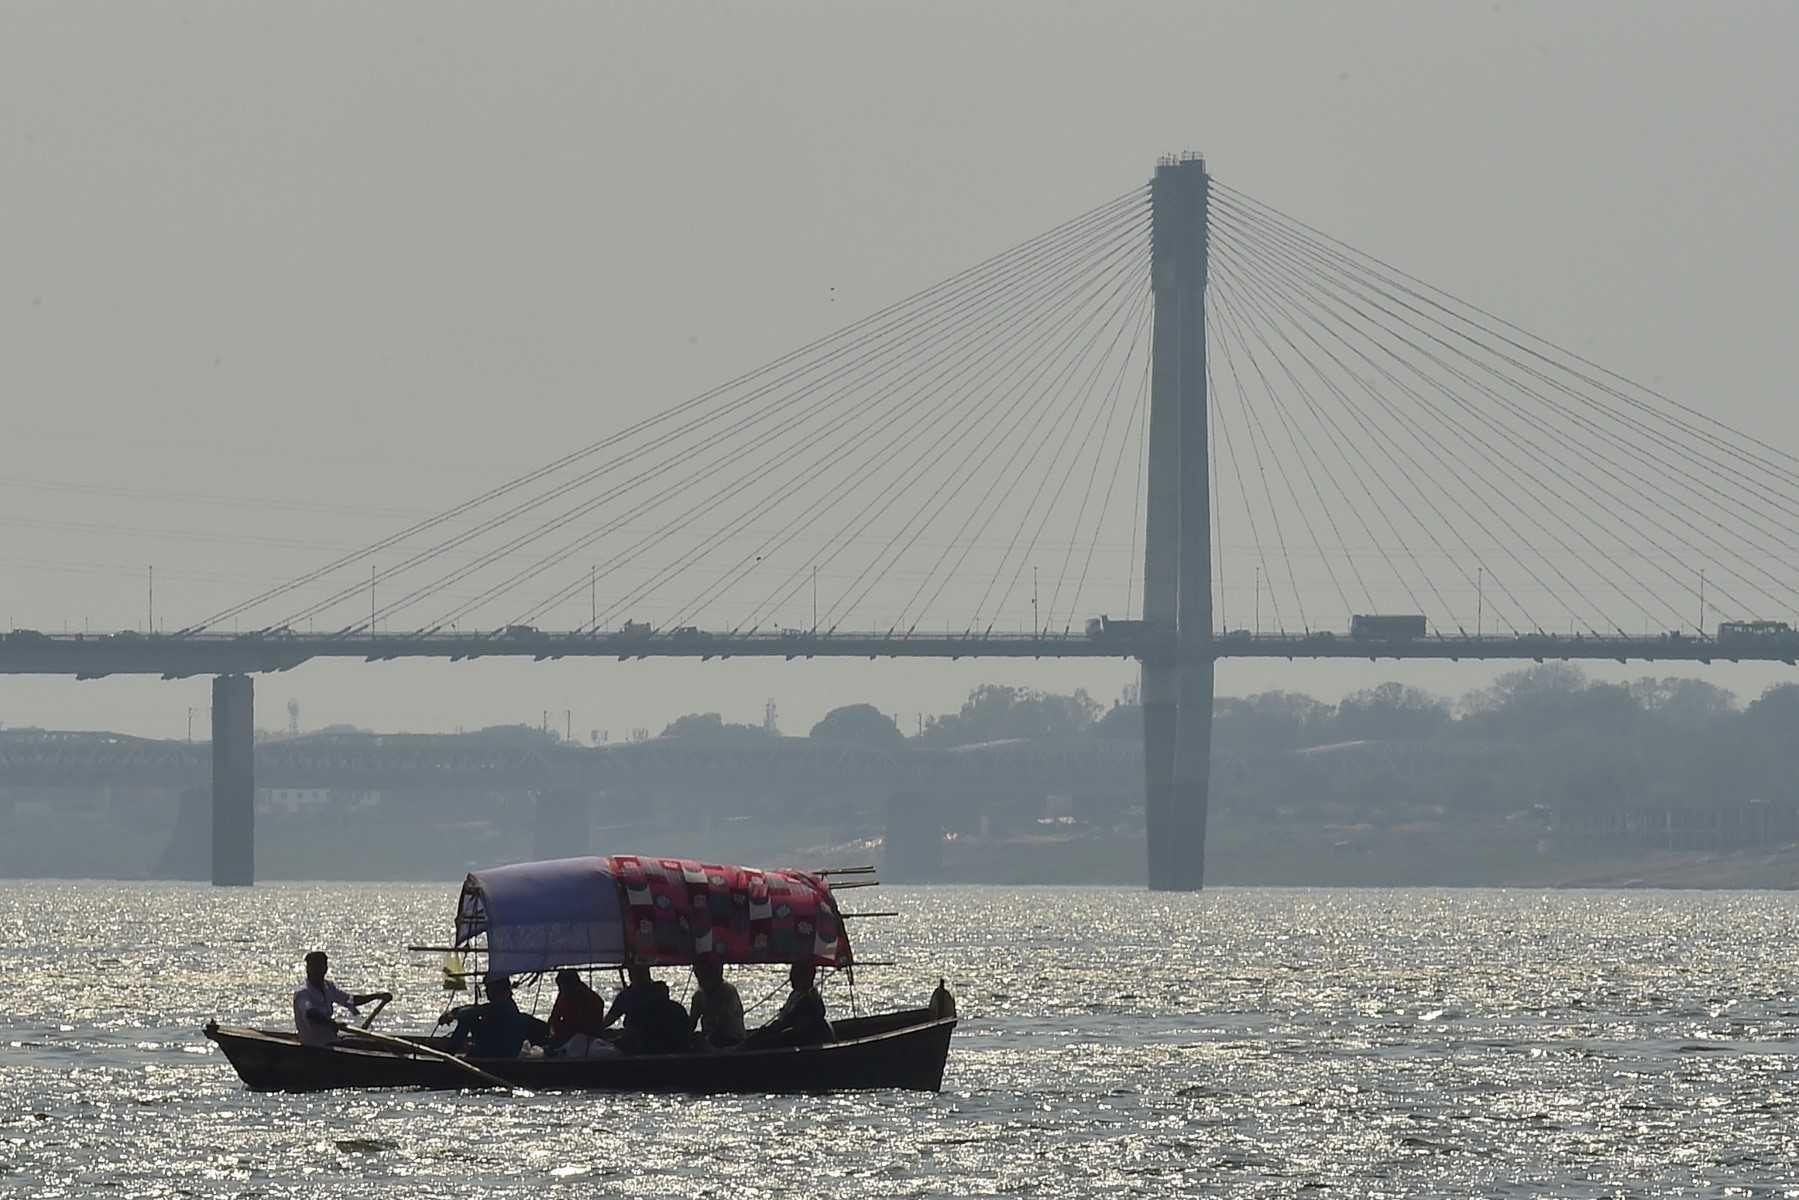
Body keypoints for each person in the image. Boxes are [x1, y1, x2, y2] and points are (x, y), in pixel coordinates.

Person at [292, 950, 391, 1048]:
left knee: (366, 1044)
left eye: (321, 966)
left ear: (325, 968)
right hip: (314, 1045)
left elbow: (350, 1000)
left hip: (331, 1040)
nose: (318, 970)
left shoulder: (328, 987)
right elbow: (310, 1013)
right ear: (308, 969)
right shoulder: (303, 993)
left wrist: (377, 996)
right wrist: (332, 1023)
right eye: (315, 967)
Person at [441, 975, 551, 1059]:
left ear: (497, 989)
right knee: (468, 1018)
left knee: (467, 1019)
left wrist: (454, 1014)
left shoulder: (503, 1007)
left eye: (488, 987)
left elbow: (471, 1012)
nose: (486, 991)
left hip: (496, 1053)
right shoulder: (500, 1006)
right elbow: (475, 1009)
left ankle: (447, 1056)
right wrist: (454, 1013)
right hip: (498, 1050)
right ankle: (448, 1055)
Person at [745, 962, 833, 1049]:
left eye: (796, 973)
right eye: (792, 972)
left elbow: (794, 1028)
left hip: (806, 1045)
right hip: (794, 1037)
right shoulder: (795, 994)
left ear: (808, 976)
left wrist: (770, 1033)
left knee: (763, 1041)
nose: (791, 977)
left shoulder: (808, 1000)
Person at [687, 958, 745, 1049]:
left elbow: (725, 1021)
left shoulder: (728, 991)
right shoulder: (698, 996)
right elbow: (691, 1023)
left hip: (732, 1040)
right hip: (710, 1042)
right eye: (698, 975)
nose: (700, 979)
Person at [547, 970, 608, 1044]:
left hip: (584, 1038)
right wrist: (552, 1029)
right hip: (564, 1033)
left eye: (562, 987)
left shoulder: (590, 998)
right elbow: (554, 1017)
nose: (561, 990)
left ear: (573, 984)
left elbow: (589, 1026)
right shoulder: (563, 995)